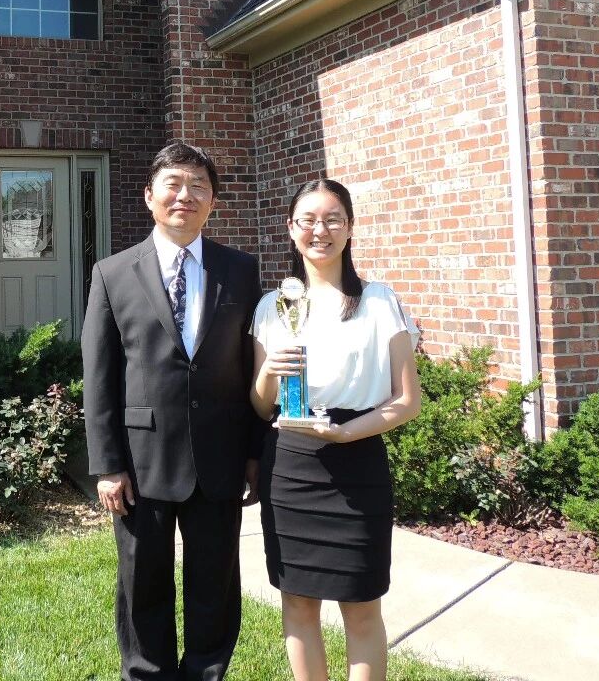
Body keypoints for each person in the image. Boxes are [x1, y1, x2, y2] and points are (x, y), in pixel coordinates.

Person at [83, 142, 264, 681]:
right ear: (149, 196)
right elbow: (99, 374)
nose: (186, 195)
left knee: (216, 584)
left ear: (213, 202)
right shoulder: (113, 273)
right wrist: (107, 464)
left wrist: (254, 453)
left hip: (219, 458)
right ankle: (146, 673)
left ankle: (206, 673)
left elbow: (252, 365)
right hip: (141, 461)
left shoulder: (241, 270)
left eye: (199, 186)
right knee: (142, 581)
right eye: (174, 184)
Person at [250, 178, 421, 681]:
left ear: (349, 228)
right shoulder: (272, 306)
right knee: (298, 602)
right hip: (291, 467)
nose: (319, 230)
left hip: (358, 461)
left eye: (332, 219)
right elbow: (260, 406)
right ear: (291, 228)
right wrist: (269, 371)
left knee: (361, 605)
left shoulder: (380, 301)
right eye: (307, 220)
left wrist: (347, 434)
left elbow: (407, 401)